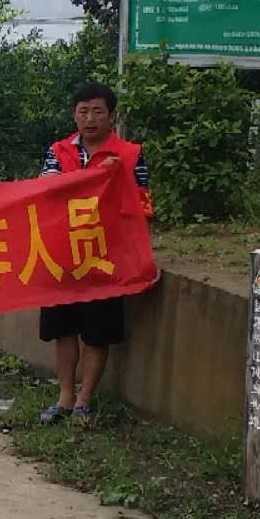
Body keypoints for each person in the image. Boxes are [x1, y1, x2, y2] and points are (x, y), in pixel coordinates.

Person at [37, 81, 152, 425]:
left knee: (96, 331)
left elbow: (141, 206)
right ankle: (64, 396)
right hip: (63, 255)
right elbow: (47, 191)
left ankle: (84, 400)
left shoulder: (130, 155)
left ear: (112, 116)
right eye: (83, 111)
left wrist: (116, 180)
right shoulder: (58, 151)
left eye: (98, 111)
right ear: (74, 115)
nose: (90, 118)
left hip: (106, 257)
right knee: (63, 329)